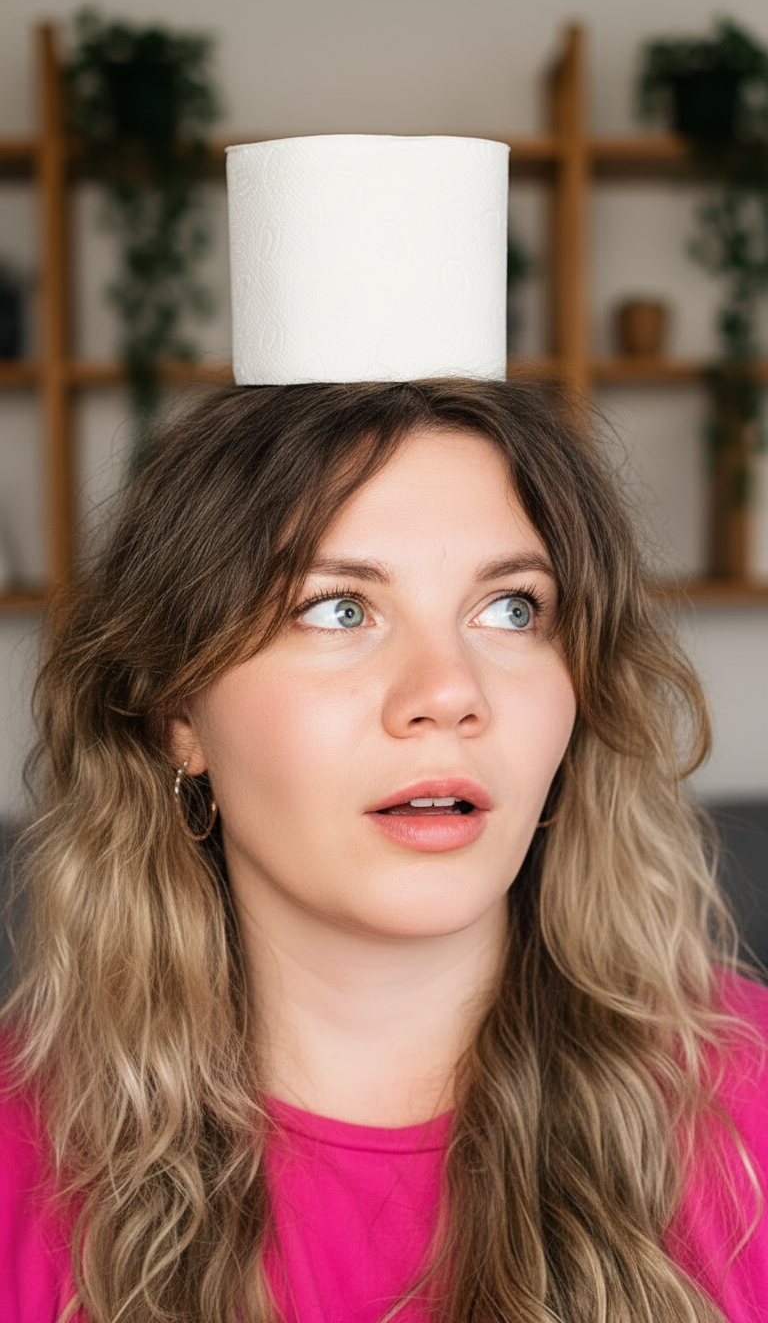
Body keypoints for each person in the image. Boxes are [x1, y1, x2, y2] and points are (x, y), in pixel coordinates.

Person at [1, 375, 767, 1323]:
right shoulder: (18, 1157)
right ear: (178, 716)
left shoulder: (747, 1111)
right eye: (339, 609)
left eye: (513, 608)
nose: (449, 692)